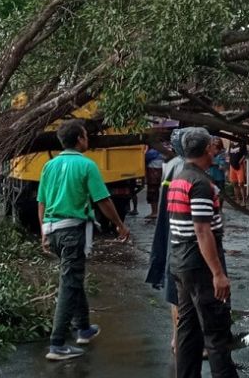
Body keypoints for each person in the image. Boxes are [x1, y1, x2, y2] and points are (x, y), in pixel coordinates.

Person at [38, 119, 131, 361]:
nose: (87, 139)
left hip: (54, 229)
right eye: (85, 136)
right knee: (69, 282)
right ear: (79, 139)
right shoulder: (87, 165)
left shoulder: (49, 166)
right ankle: (57, 344)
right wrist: (120, 225)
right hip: (72, 231)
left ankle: (84, 328)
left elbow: (42, 202)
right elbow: (103, 200)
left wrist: (44, 232)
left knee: (73, 277)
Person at [168, 127, 238, 378]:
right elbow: (201, 230)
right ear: (207, 149)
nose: (215, 150)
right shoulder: (199, 183)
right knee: (216, 333)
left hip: (181, 262)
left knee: (188, 330)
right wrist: (218, 273)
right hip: (200, 266)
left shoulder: (180, 177)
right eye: (213, 146)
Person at [146, 129, 187, 352]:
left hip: (170, 231)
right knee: (187, 292)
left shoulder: (171, 165)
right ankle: (186, 341)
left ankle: (177, 338)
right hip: (184, 237)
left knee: (175, 290)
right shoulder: (186, 169)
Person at [145, 145, 165, 220]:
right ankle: (156, 212)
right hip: (160, 173)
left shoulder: (152, 152)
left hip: (153, 173)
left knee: (152, 193)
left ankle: (154, 212)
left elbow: (144, 158)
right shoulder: (163, 151)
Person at [227, 141, 247, 206]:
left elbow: (245, 154)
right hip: (232, 166)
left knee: (241, 183)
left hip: (240, 166)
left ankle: (244, 201)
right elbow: (229, 154)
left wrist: (240, 162)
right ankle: (237, 200)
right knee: (234, 183)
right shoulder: (231, 144)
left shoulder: (242, 143)